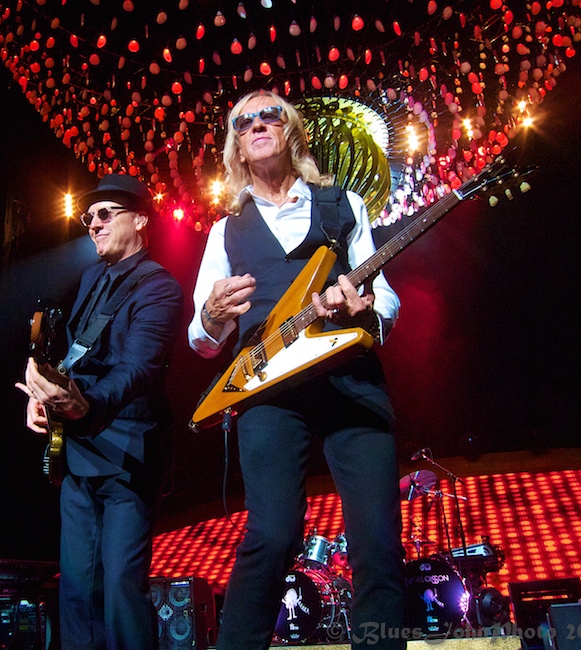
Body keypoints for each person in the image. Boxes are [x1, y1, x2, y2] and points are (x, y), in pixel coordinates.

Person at [187, 90, 406, 649]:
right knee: (273, 532)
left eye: (270, 114)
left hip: (349, 378)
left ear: (293, 130)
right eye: (244, 120)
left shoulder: (343, 204)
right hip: (268, 387)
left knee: (377, 541)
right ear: (236, 142)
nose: (258, 123)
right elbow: (201, 339)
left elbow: (384, 298)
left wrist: (367, 312)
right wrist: (212, 316)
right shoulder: (224, 231)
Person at [16, 174, 183, 650]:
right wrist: (43, 395)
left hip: (127, 451)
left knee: (120, 589)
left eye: (105, 213)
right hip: (78, 447)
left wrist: (86, 404)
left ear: (140, 219)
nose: (92, 223)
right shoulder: (90, 280)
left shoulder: (160, 288)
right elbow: (71, 360)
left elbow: (137, 369)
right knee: (75, 589)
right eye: (87, 217)